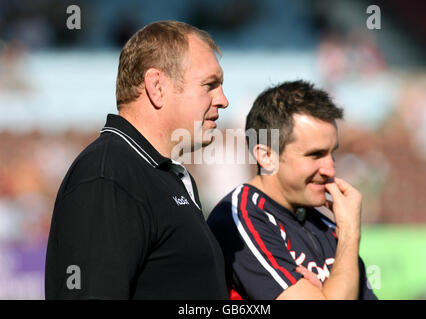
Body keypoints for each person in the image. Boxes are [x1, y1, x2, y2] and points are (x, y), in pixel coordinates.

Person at [45, 20, 229, 299]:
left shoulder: (159, 174)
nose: (223, 100)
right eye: (210, 85)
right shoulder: (108, 175)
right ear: (157, 86)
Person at [207, 80, 377, 300]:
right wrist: (351, 233)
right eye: (315, 155)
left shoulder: (328, 227)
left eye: (331, 153)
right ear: (267, 156)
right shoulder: (240, 218)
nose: (330, 168)